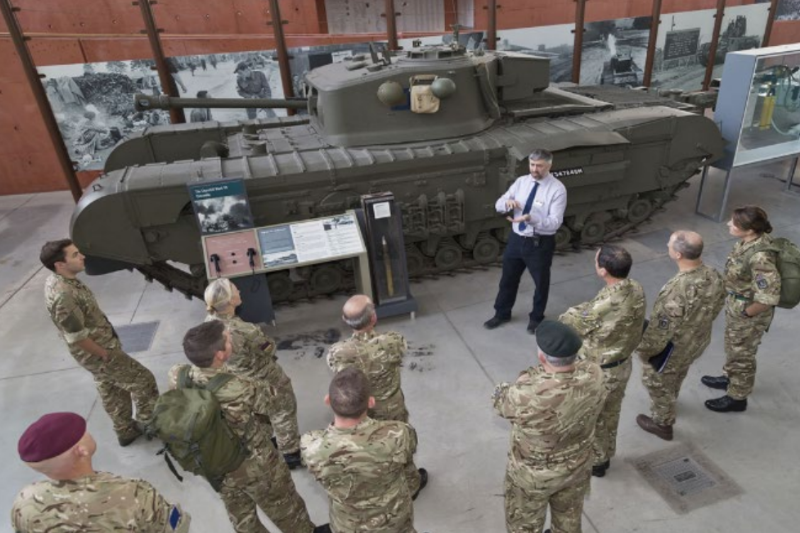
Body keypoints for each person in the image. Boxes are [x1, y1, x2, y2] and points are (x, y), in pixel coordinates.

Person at [174, 321, 327, 533]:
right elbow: (277, 403)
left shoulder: (178, 375)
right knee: (285, 507)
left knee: (243, 517)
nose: (231, 340)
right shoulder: (238, 387)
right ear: (220, 354)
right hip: (253, 464)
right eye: (228, 340)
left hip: (214, 464)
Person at [41, 239, 158, 447]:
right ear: (60, 264)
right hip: (98, 351)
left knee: (112, 388)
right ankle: (150, 423)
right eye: (75, 255)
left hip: (98, 348)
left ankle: (125, 430)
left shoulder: (62, 281)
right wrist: (103, 354)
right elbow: (77, 337)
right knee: (143, 380)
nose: (82, 256)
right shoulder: (63, 294)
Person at [493, 320, 606, 533]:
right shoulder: (595, 374)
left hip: (533, 476)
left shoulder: (526, 394)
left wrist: (524, 378)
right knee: (569, 519)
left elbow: (499, 401)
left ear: (542, 357)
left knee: (523, 526)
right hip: (577, 466)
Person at [11, 412, 190, 532]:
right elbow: (176, 527)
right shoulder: (133, 493)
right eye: (83, 431)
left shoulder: (25, 501)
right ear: (81, 451)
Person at [326, 294, 427, 496]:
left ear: (345, 320)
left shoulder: (338, 352)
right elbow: (400, 350)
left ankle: (381, 482)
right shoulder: (391, 341)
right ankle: (411, 484)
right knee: (400, 443)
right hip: (392, 406)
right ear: (373, 318)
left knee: (367, 448)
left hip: (360, 411)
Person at [559, 244, 645, 477]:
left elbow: (570, 322)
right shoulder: (634, 287)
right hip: (621, 364)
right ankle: (604, 455)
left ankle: (596, 461)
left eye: (596, 260)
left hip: (600, 371)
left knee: (592, 416)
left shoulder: (603, 305)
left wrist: (576, 310)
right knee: (610, 413)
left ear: (603, 270)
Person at [302, 367, 421, 533]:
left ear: (327, 400)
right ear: (371, 402)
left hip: (348, 525)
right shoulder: (399, 433)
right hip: (394, 519)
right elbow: (410, 451)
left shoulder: (311, 446)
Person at [636, 231, 725, 440]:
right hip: (697, 340)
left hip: (673, 348)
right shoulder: (713, 274)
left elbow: (660, 330)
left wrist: (645, 351)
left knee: (656, 381)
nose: (667, 245)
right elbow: (718, 304)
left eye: (669, 243)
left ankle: (662, 423)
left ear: (678, 254)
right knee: (678, 373)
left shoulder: (677, 289)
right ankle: (671, 397)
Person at [204, 278, 302, 469]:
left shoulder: (208, 324)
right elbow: (269, 349)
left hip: (236, 381)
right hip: (264, 377)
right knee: (283, 408)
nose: (239, 291)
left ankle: (263, 443)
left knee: (256, 413)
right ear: (230, 301)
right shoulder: (246, 330)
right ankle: (290, 452)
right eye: (235, 290)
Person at [702, 206, 781, 413]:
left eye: (734, 223)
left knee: (742, 355)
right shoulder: (747, 242)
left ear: (750, 229)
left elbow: (767, 298)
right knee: (734, 348)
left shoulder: (760, 257)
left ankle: (737, 397)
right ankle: (729, 377)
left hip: (748, 312)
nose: (729, 224)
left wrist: (746, 314)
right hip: (738, 304)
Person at [484, 149, 568, 334]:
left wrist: (531, 218)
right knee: (508, 279)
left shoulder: (557, 189)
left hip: (539, 243)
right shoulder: (521, 182)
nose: (534, 169)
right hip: (516, 239)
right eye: (532, 164)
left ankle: (536, 318)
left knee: (540, 283)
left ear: (549, 166)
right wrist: (507, 204)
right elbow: (499, 203)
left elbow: (555, 222)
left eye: (539, 166)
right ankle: (502, 313)